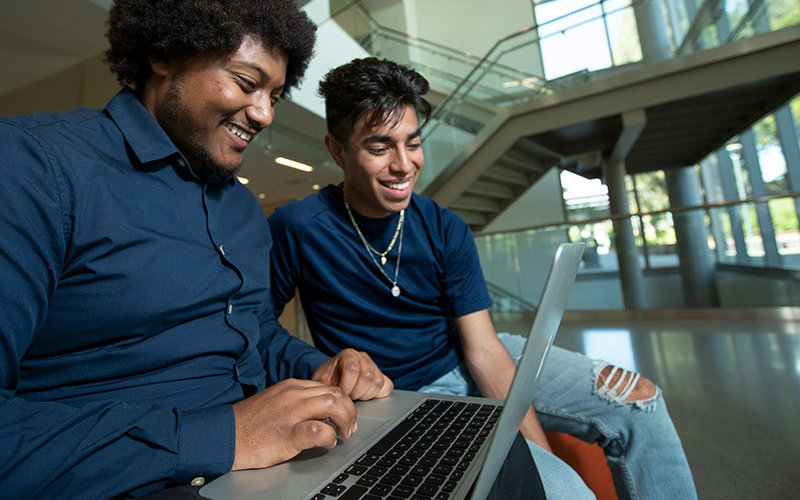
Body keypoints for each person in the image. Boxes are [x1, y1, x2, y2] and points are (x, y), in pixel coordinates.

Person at [0, 2, 396, 497]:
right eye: (246, 82)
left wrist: (316, 366)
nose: (265, 113)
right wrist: (226, 435)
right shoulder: (33, 167)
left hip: (268, 463)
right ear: (165, 55)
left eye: (274, 94)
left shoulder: (244, 208)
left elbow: (253, 330)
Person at [268, 57, 699, 500]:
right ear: (338, 150)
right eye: (380, 148)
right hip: (400, 397)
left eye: (412, 143)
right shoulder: (298, 227)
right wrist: (321, 363)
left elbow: (484, 350)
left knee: (640, 400)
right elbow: (257, 328)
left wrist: (535, 455)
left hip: (468, 353)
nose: (404, 165)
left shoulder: (444, 227)